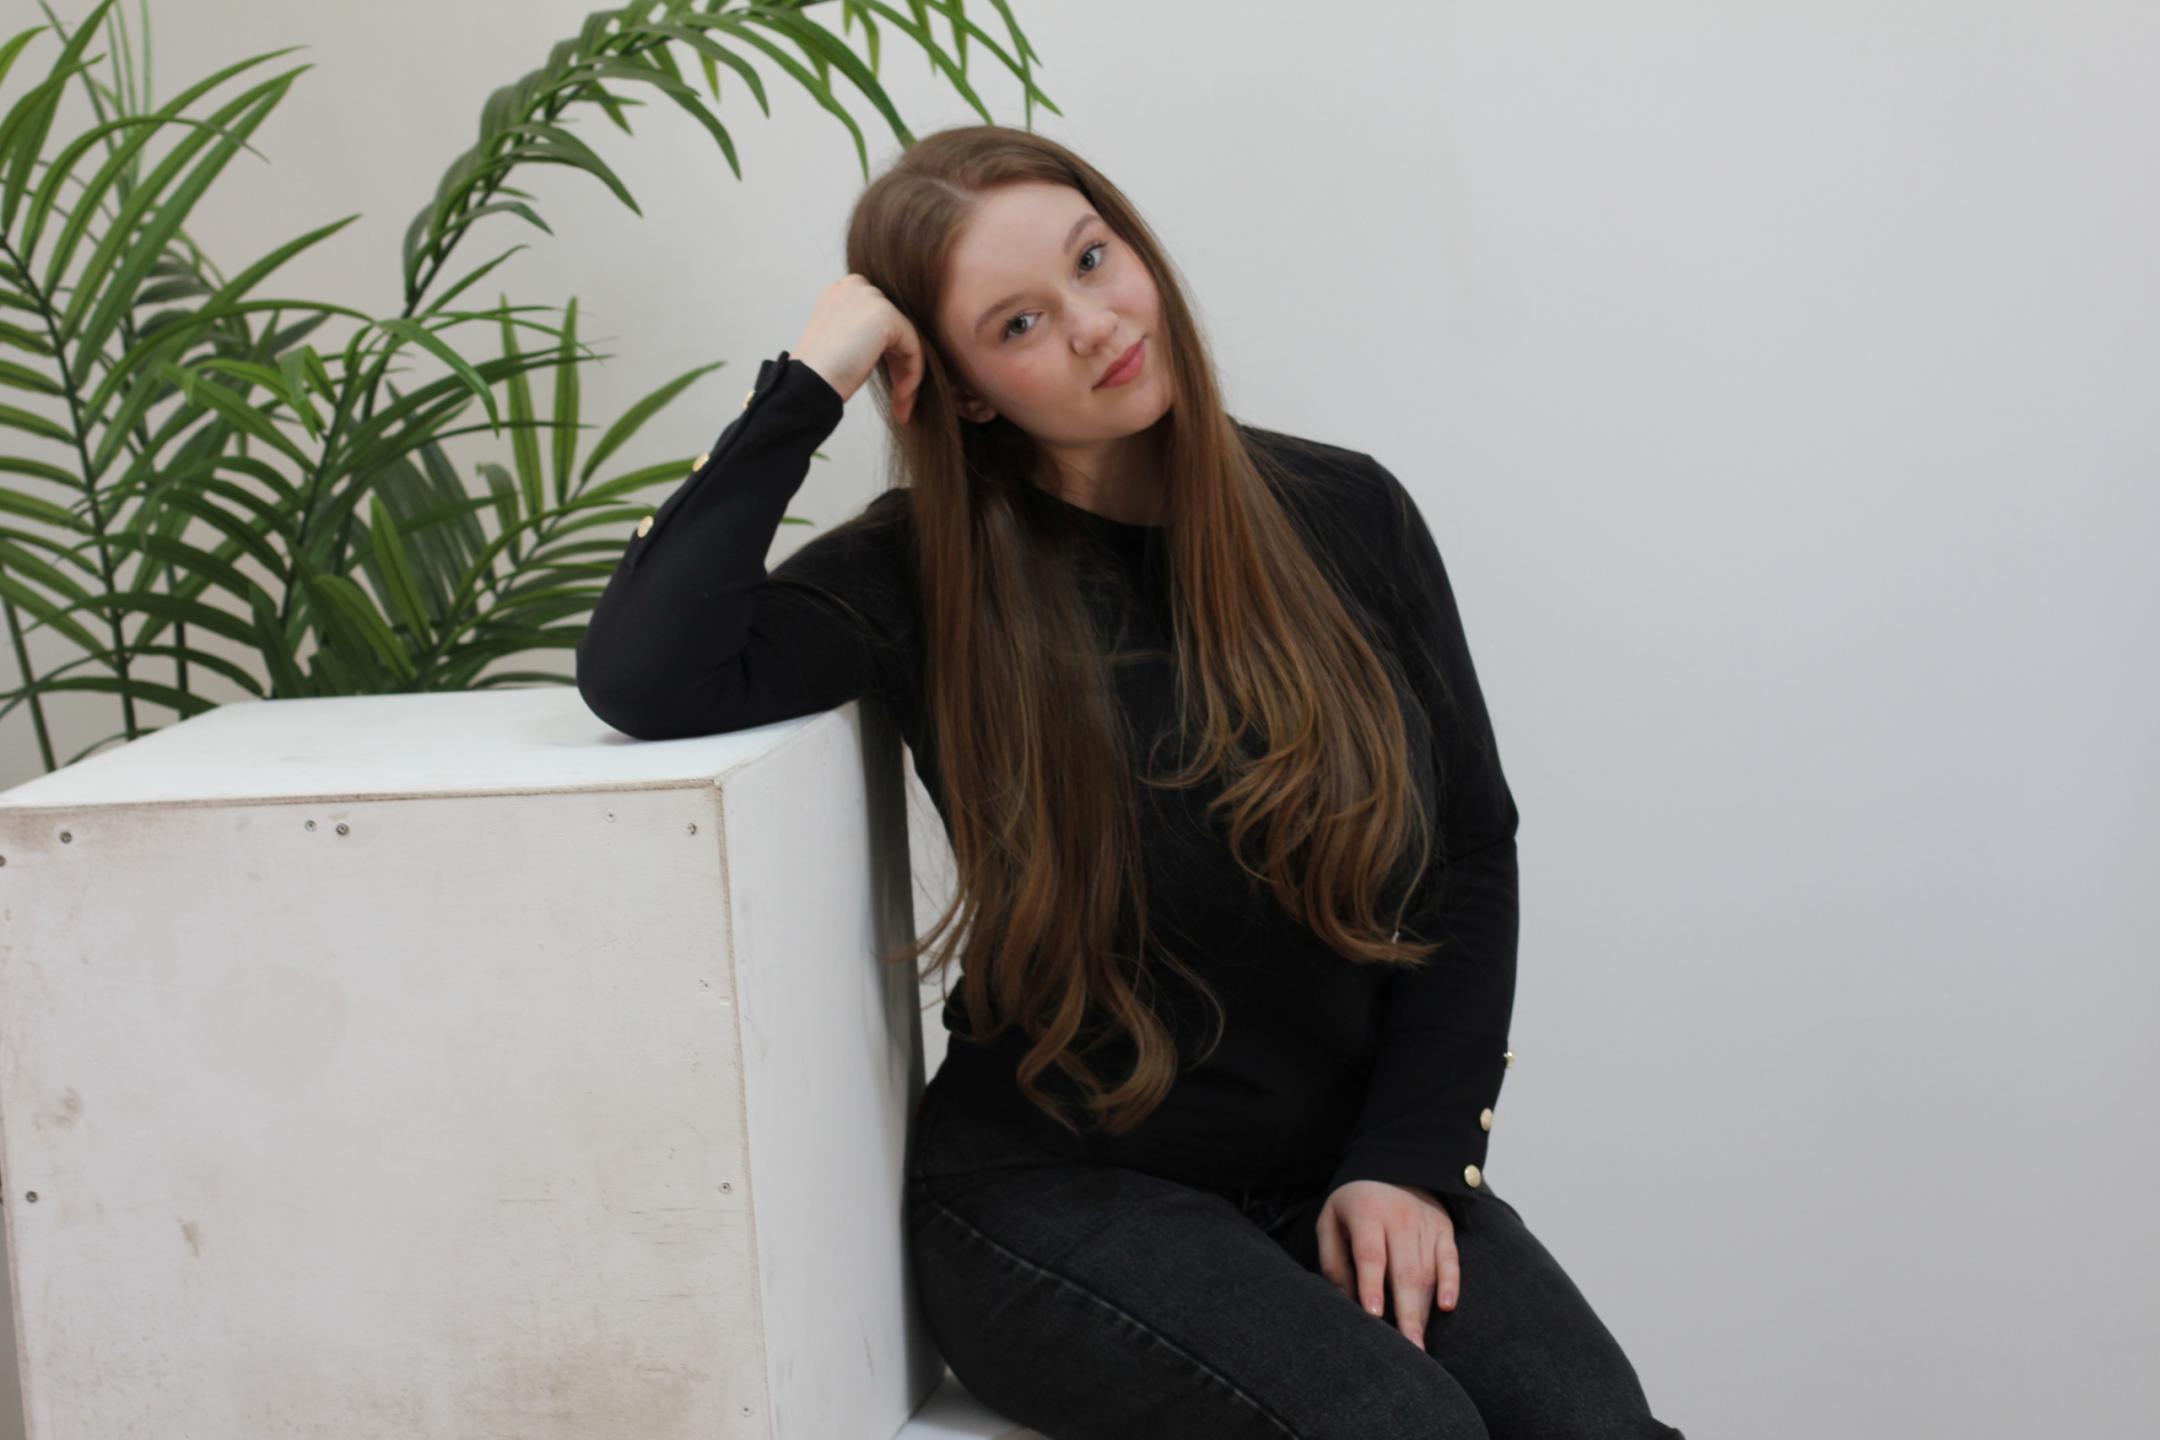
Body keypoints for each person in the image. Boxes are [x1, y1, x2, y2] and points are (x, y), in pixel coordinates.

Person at [577, 124, 1683, 1440]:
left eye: (1094, 260)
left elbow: (1469, 852)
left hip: (1335, 1160)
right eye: (1020, 322)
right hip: (1056, 1190)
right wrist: (815, 377)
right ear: (966, 391)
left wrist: (1410, 1162)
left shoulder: (1345, 513)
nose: (1095, 325)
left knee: (1595, 1425)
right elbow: (647, 671)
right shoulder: (923, 574)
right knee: (1395, 1428)